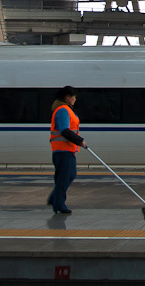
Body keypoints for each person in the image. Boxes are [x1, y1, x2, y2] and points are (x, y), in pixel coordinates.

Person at [47, 86, 86, 214]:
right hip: (62, 150)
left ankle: (55, 198)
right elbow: (64, 130)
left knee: (70, 174)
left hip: (68, 149)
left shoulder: (67, 110)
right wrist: (79, 141)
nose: (75, 99)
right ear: (67, 97)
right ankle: (59, 204)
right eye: (73, 97)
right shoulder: (63, 110)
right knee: (64, 177)